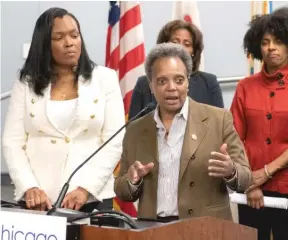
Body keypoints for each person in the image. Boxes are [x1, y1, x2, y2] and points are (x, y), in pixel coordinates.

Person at [2, 7, 125, 212]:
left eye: (74, 35)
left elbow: (114, 141)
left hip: (90, 198)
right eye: (59, 37)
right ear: (44, 44)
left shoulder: (104, 78)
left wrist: (86, 189)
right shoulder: (26, 83)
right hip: (38, 201)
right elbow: (12, 141)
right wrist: (29, 186)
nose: (69, 43)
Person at [114, 43, 251, 222]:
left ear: (188, 82)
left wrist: (231, 171)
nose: (172, 87)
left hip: (205, 229)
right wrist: (132, 180)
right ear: (151, 86)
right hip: (153, 229)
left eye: (179, 80)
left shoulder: (219, 119)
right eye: (162, 81)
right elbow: (121, 190)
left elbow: (246, 179)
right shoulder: (136, 129)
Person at [230, 7, 288, 240]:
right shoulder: (245, 87)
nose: (271, 48)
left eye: (278, 41)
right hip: (250, 188)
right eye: (265, 42)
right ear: (257, 46)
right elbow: (233, 138)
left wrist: (266, 172)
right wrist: (250, 182)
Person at [128, 20, 224, 120]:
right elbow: (133, 129)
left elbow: (219, 125)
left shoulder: (209, 82)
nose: (180, 47)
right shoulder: (144, 83)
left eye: (187, 44)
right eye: (175, 42)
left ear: (194, 52)